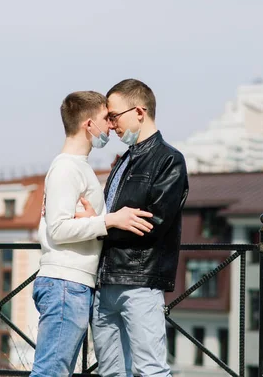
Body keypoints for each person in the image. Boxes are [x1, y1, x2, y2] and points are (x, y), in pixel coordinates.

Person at [29, 90, 154, 377]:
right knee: (51, 371)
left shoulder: (77, 168)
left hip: (71, 283)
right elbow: (58, 229)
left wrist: (99, 218)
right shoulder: (66, 169)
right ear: (88, 124)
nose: (110, 125)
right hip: (65, 283)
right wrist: (109, 220)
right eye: (105, 118)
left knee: (56, 370)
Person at [90, 79, 189, 377]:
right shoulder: (124, 160)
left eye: (114, 116)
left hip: (140, 281)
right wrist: (102, 219)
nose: (111, 124)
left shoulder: (169, 159)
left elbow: (153, 223)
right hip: (105, 281)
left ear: (140, 111)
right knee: (111, 372)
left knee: (150, 370)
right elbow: (117, 215)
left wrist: (101, 225)